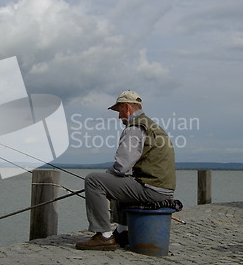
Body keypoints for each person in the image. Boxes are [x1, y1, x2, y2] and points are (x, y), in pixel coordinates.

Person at [75, 90, 176, 250]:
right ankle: (123, 231)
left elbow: (122, 166)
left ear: (127, 107)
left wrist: (106, 184)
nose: (118, 116)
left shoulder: (135, 127)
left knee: (94, 180)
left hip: (151, 191)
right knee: (121, 181)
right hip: (163, 190)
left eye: (119, 111)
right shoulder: (152, 126)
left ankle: (104, 235)